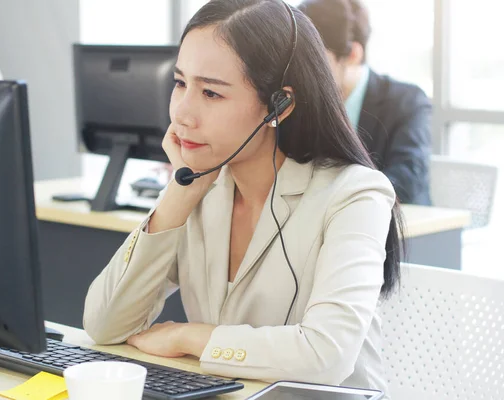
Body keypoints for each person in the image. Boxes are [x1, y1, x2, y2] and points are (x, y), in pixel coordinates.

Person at [83, 0, 403, 396]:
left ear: (278, 106)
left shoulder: (356, 195)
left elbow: (327, 354)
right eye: (180, 84)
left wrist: (190, 337)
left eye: (211, 93)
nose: (182, 113)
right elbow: (104, 324)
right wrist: (179, 197)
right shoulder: (202, 187)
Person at [298, 0, 432, 205]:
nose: (303, 70)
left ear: (352, 54)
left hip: (399, 226)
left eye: (314, 58)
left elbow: (407, 180)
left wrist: (335, 199)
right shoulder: (298, 101)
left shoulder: (406, 102)